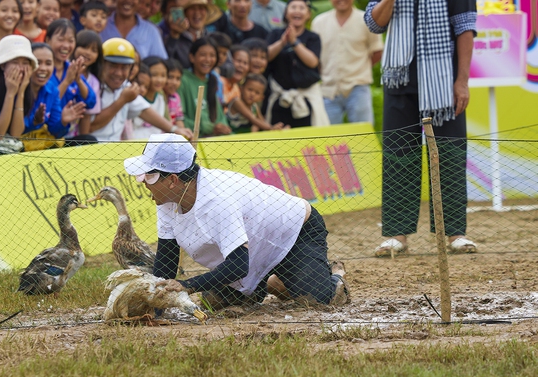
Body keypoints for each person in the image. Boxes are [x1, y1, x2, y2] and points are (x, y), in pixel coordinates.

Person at [123, 134, 349, 310]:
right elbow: (167, 262)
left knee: (318, 300)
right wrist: (153, 304)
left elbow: (239, 265)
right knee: (214, 301)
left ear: (173, 180)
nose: (142, 182)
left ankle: (335, 275)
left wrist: (188, 285)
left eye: (148, 176)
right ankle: (270, 281)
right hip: (252, 252)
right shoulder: (167, 200)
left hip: (294, 233)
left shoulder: (217, 199)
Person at [365, 0, 478, 256]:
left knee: (450, 156)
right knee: (398, 158)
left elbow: (465, 28)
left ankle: (455, 234)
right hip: (399, 81)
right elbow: (374, 22)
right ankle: (397, 235)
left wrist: (462, 81)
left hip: (443, 84)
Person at [89, 38, 192, 141]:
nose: (118, 73)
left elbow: (144, 110)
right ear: (101, 64)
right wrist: (121, 101)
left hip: (114, 150)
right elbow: (90, 127)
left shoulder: (125, 86)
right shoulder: (91, 85)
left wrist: (174, 130)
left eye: (124, 68)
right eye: (113, 66)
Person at [312, 0, 383, 125]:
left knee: (363, 136)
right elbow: (314, 56)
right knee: (329, 139)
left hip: (358, 87)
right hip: (328, 90)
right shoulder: (319, 22)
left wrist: (361, 67)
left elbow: (377, 51)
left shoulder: (366, 19)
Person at [265, 0, 329, 128]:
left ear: (308, 14)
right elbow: (266, 57)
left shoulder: (313, 37)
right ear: (286, 13)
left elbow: (313, 62)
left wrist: (294, 42)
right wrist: (282, 42)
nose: (297, 11)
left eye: (302, 8)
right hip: (280, 98)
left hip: (306, 98)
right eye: (293, 7)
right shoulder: (276, 34)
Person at [0, 35, 38, 138]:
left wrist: (21, 92)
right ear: (3, 65)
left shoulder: (27, 86)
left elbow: (16, 134)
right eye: (15, 62)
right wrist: (10, 93)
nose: (21, 68)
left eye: (25, 63)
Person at [179, 38, 231, 137]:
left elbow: (220, 117)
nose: (208, 60)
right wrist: (210, 128)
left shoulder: (212, 81)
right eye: (203, 55)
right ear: (192, 57)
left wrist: (222, 127)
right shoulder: (183, 80)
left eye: (212, 55)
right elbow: (178, 117)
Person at [99, 0, 168, 60]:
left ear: (139, 2)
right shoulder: (100, 26)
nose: (128, 1)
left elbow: (160, 64)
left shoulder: (151, 31)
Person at [133, 56, 172, 139]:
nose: (159, 80)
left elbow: (168, 121)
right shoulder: (135, 96)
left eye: (163, 75)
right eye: (154, 75)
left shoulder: (161, 96)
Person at [163, 58, 185, 127]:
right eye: (170, 77)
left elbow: (179, 120)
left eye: (178, 78)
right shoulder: (157, 97)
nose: (174, 83)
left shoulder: (176, 97)